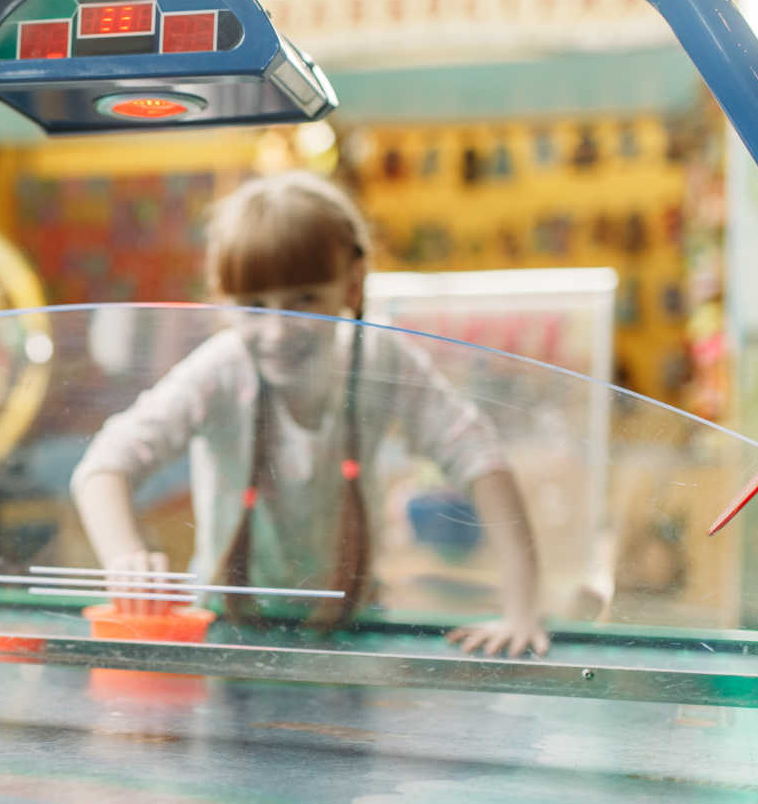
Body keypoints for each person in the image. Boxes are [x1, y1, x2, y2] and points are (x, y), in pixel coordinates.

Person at [70, 170, 549, 656]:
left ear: (352, 283)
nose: (278, 332)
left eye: (304, 301)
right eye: (254, 306)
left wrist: (522, 612)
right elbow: (105, 465)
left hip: (353, 628)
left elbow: (479, 457)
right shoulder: (222, 368)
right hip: (227, 631)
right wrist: (125, 557)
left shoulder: (380, 357)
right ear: (222, 297)